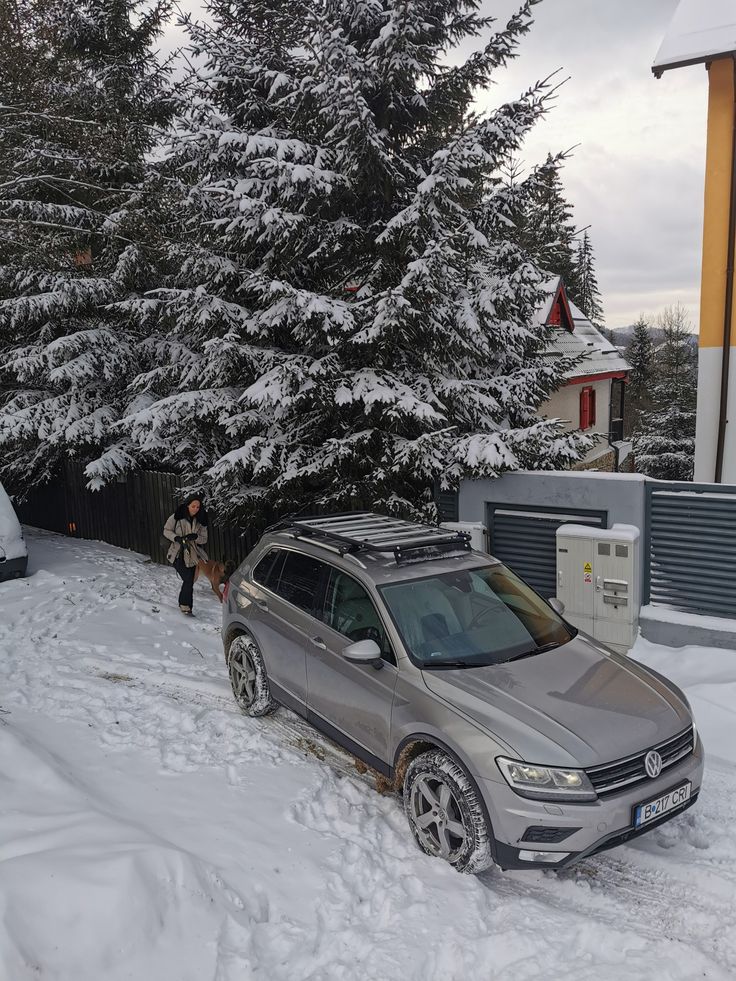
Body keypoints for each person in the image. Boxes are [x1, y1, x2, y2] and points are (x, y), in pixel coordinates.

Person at [163, 492, 209, 615]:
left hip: (192, 555)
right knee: (188, 580)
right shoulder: (176, 517)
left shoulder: (201, 520)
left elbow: (204, 539)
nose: (195, 509)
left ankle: (187, 607)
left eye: (198, 507)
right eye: (193, 506)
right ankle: (185, 606)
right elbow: (166, 531)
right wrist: (176, 538)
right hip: (177, 554)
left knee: (189, 581)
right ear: (188, 505)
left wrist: (195, 537)